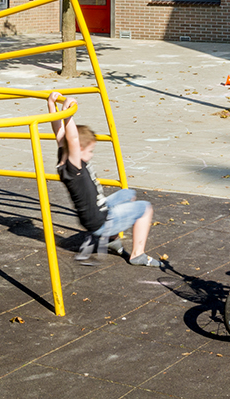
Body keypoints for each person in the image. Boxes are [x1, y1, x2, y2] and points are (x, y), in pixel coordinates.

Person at [47, 91, 161, 267]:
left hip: (95, 213)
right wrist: (69, 112)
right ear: (78, 148)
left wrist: (52, 105)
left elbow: (59, 133)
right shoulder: (73, 166)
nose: (91, 155)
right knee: (145, 208)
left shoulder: (64, 156)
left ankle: (111, 240)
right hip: (102, 220)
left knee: (128, 194)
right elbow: (72, 137)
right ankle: (137, 255)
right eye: (89, 151)